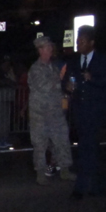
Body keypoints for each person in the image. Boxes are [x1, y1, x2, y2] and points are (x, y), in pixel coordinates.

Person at [64, 26, 106, 198]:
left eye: (81, 41)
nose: (78, 44)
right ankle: (99, 186)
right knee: (89, 149)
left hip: (96, 112)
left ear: (91, 43)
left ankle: (81, 188)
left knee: (88, 149)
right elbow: (66, 81)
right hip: (80, 112)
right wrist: (67, 86)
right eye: (77, 41)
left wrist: (93, 79)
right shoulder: (74, 62)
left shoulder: (103, 60)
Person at [27, 36, 76, 186]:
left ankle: (65, 170)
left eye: (50, 47)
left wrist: (65, 92)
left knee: (62, 140)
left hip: (55, 111)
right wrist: (61, 85)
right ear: (40, 50)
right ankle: (41, 173)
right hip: (40, 113)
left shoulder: (53, 67)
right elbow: (44, 86)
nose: (51, 50)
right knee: (40, 144)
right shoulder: (36, 68)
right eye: (47, 47)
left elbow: (56, 89)